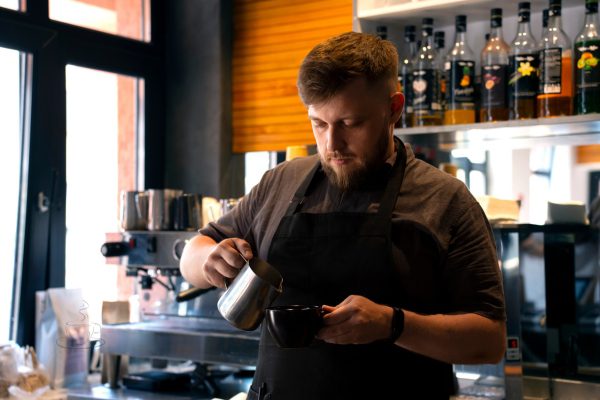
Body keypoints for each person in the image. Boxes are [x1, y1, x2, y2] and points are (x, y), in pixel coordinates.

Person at [181, 31, 506, 399]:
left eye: (350, 124)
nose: (332, 144)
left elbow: (489, 340)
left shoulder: (445, 200)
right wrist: (209, 259)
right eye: (319, 124)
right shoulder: (281, 182)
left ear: (394, 108)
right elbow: (194, 252)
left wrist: (393, 324)